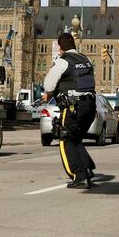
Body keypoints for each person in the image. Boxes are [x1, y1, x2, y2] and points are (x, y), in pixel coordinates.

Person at [42, 33, 97, 189]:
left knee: (65, 139)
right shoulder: (86, 60)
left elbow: (48, 85)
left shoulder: (63, 61)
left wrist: (50, 92)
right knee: (75, 138)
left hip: (74, 107)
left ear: (60, 48)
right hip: (90, 106)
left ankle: (79, 176)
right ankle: (87, 168)